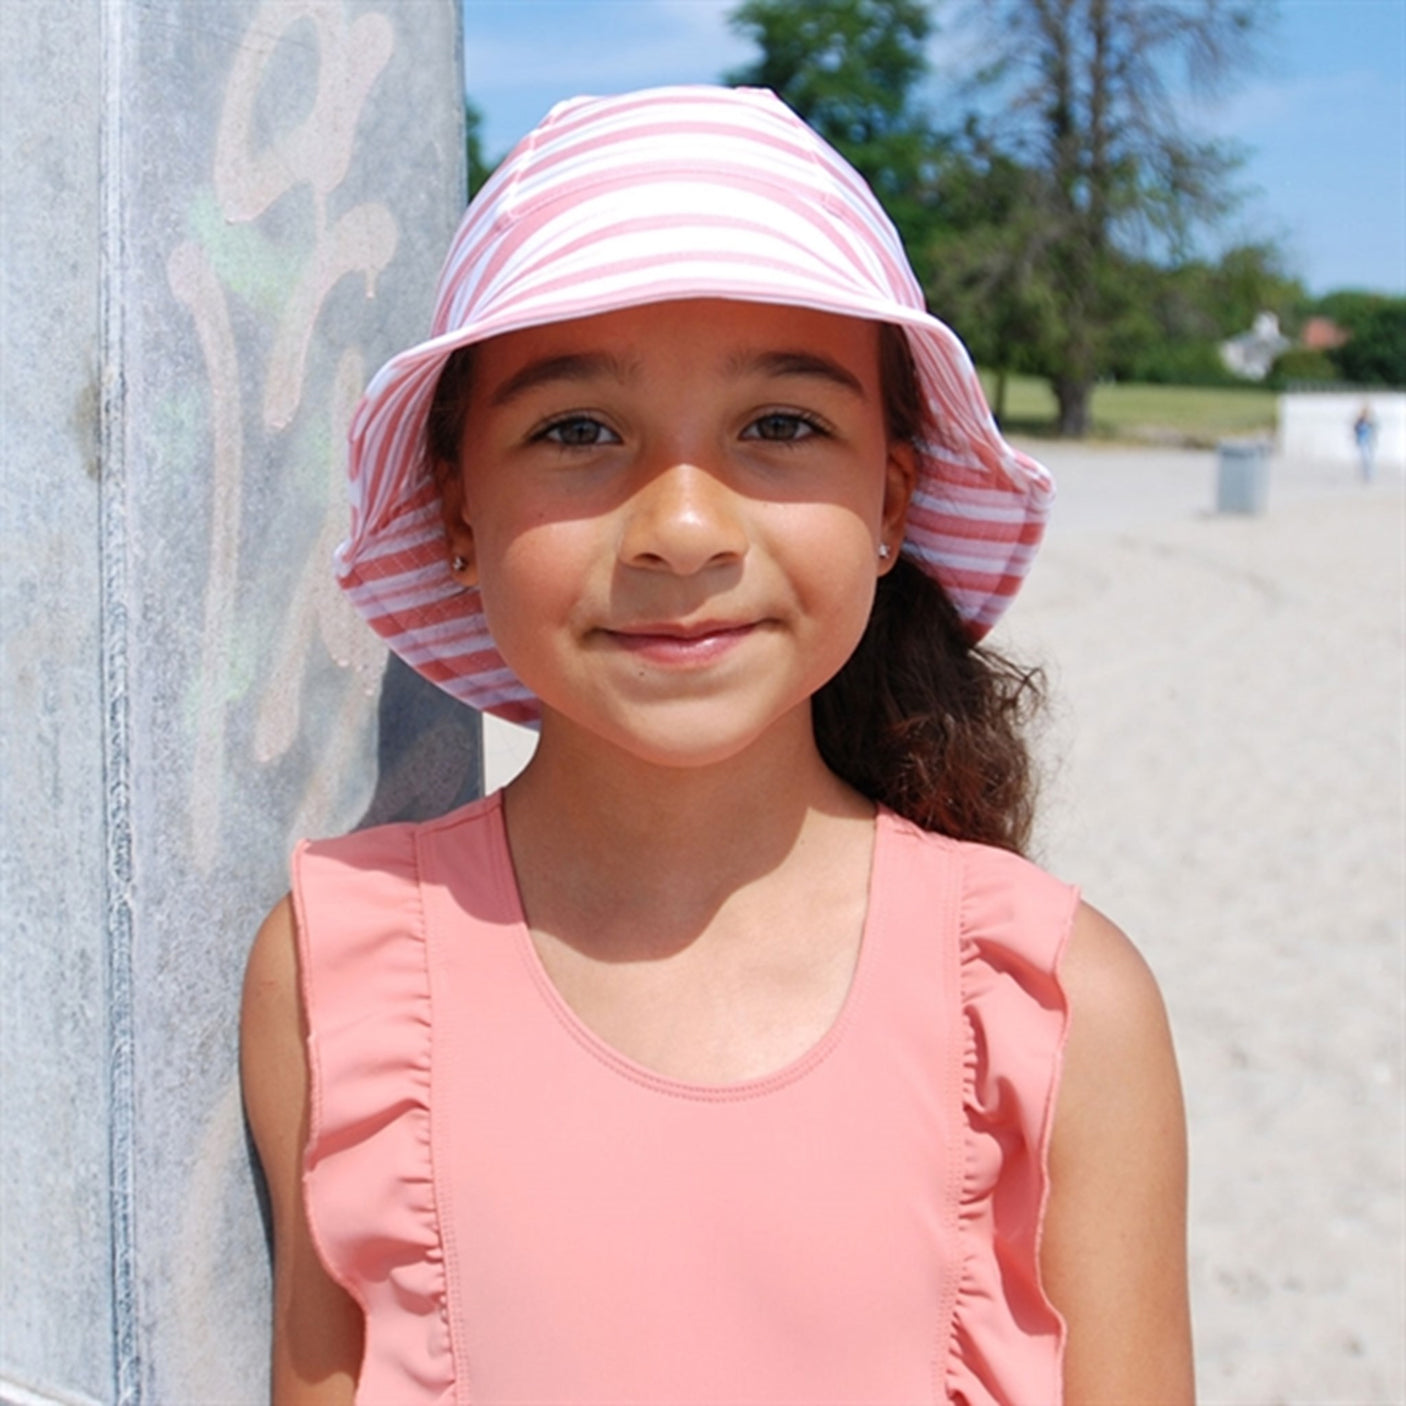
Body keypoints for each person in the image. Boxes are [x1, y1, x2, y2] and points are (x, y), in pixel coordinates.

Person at [241, 86, 1191, 1405]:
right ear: (457, 508)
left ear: (889, 499)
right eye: (576, 430)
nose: (682, 530)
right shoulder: (336, 971)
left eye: (780, 426)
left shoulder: (1060, 1002)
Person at [1353, 403, 1378, 482]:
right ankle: (1366, 474)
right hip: (1362, 441)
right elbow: (1356, 431)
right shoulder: (1359, 421)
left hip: (1368, 441)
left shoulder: (1369, 422)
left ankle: (1369, 474)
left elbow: (1373, 431)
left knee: (1369, 458)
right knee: (1365, 458)